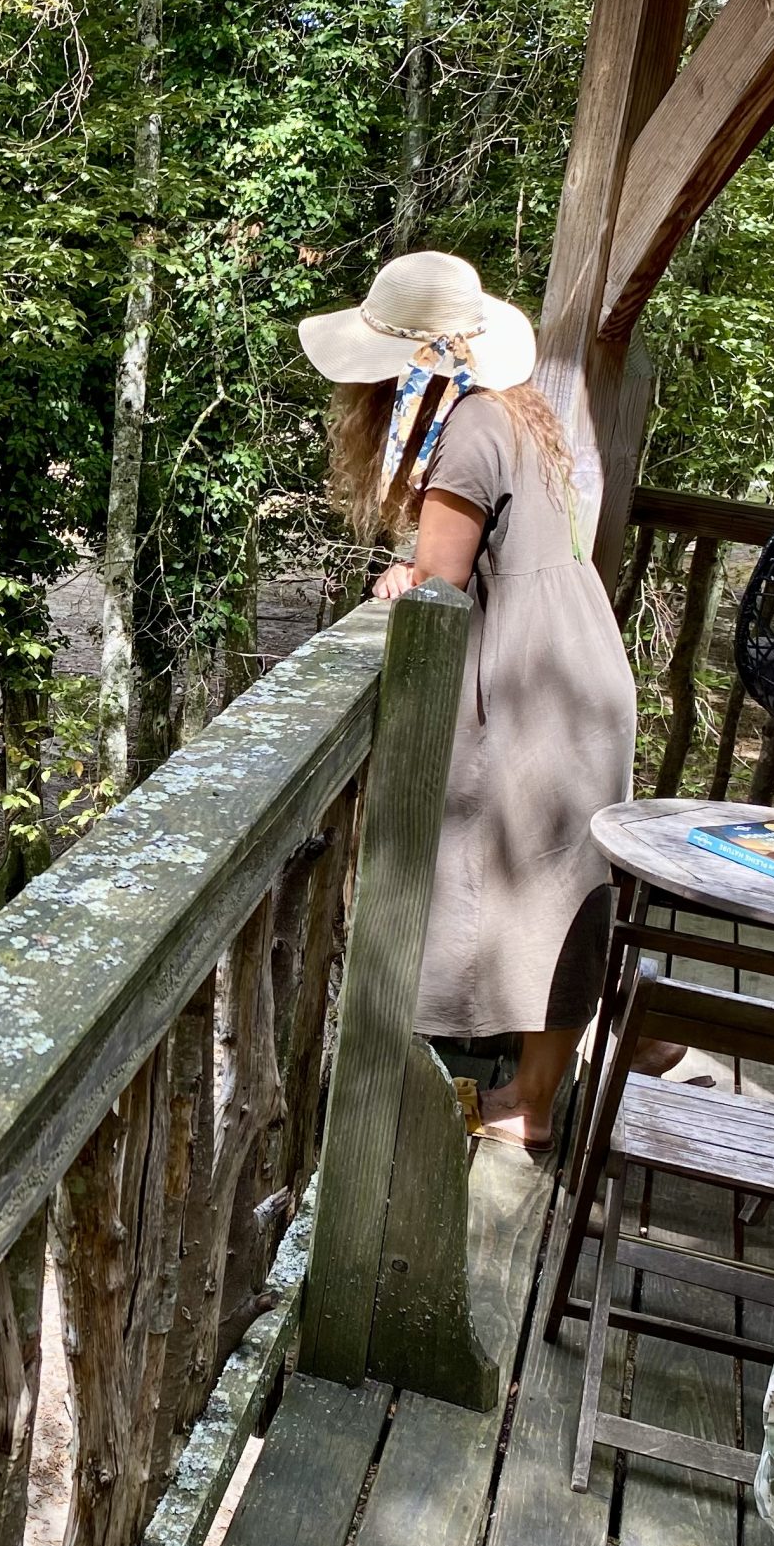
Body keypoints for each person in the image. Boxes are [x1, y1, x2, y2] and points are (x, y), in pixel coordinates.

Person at [299, 250, 641, 1148]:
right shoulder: (515, 418)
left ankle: (527, 1106)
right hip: (579, 667)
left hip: (536, 684)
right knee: (562, 884)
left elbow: (441, 586)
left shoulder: (464, 434)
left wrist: (404, 573)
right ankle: (536, 1084)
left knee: (537, 889)